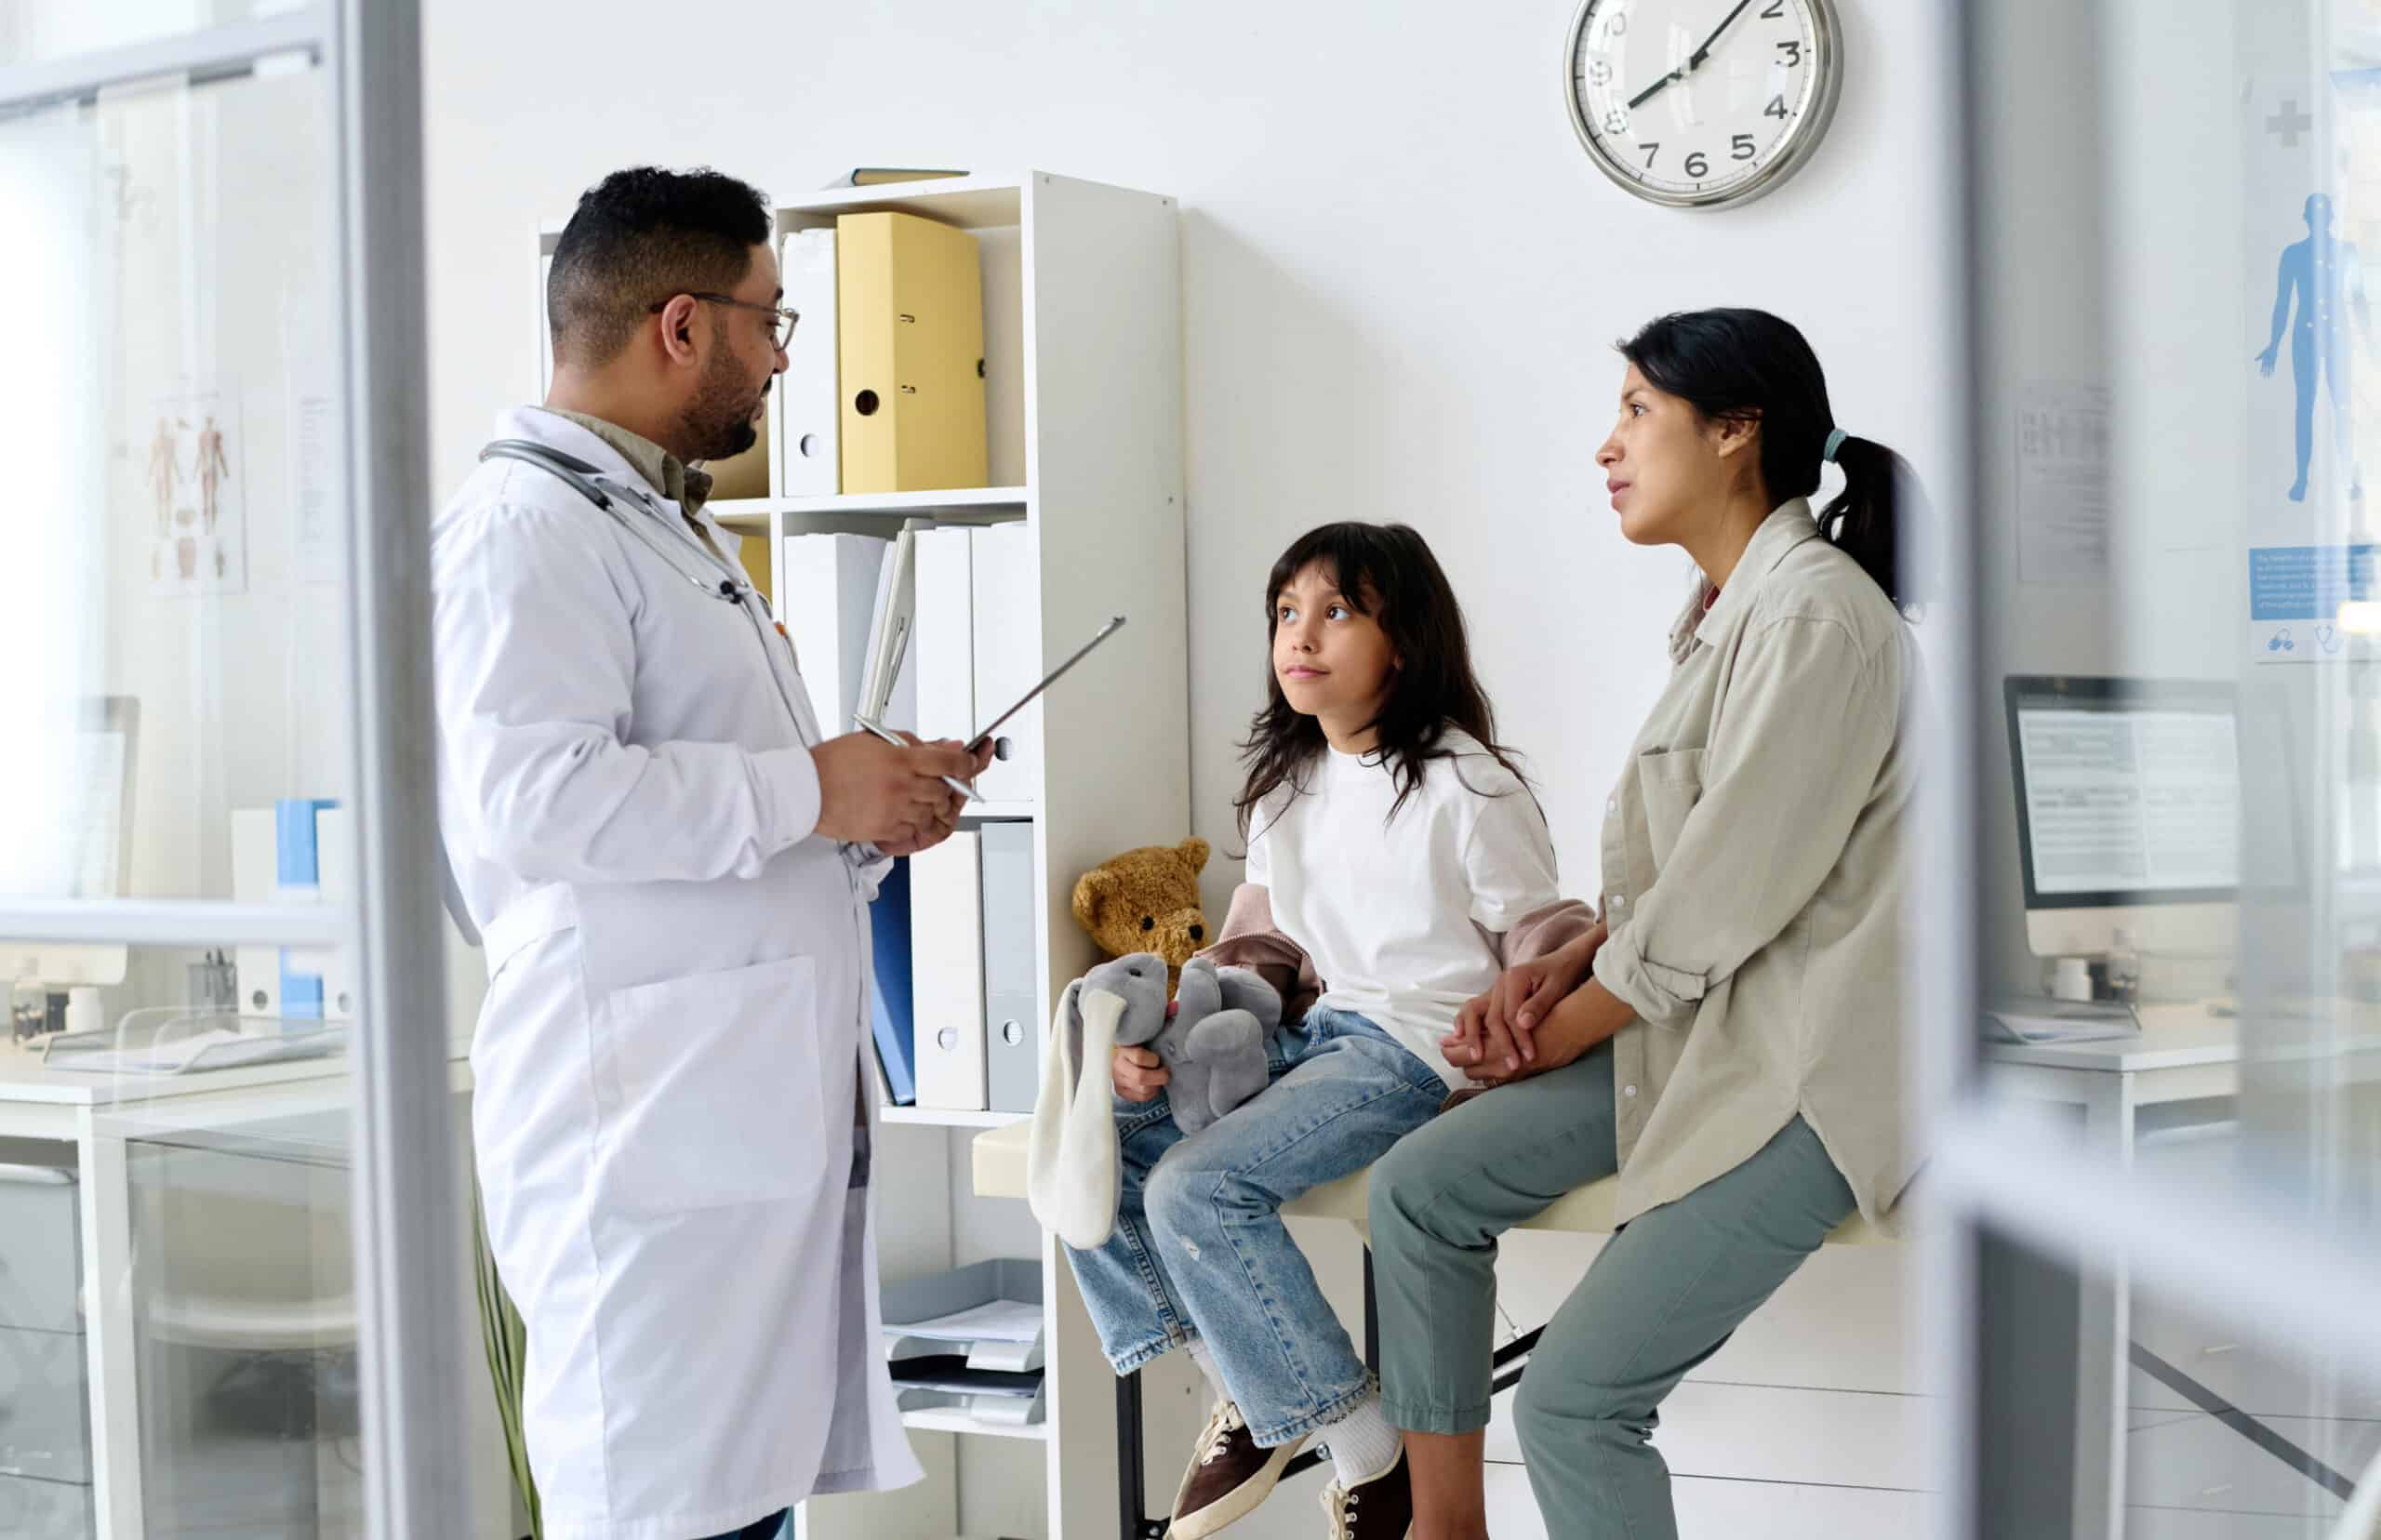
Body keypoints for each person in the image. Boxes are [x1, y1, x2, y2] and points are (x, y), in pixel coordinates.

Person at [431, 166, 988, 1540]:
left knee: (738, 1512)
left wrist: (869, 811)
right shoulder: (527, 532)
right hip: (639, 1140)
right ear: (684, 325)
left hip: (717, 1130)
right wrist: (813, 789)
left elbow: (717, 823)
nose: (786, 357)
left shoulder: (663, 528)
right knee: (668, 1514)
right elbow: (537, 802)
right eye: (772, 319)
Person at [1366, 309, 1922, 1540]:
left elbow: (1724, 898)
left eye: (1635, 412)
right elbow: (1676, 883)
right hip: (1699, 1029)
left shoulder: (1816, 617)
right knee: (1417, 1189)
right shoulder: (1726, 614)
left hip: (1803, 1073)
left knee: (1573, 1405)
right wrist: (1559, 967)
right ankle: (1442, 1525)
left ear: (1736, 433)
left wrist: (1559, 1028)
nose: (1605, 446)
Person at [1065, 522, 1594, 1540]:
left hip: (1409, 1055)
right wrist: (1171, 1033)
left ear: (1404, 642)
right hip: (1313, 1039)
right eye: (1285, 613)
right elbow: (1263, 946)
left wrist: (1530, 1014)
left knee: (1200, 1186)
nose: (1299, 636)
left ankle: (1346, 1444)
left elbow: (1546, 934)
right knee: (1099, 1148)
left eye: (1336, 611)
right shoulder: (1288, 780)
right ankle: (1276, 1405)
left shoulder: (1467, 784)